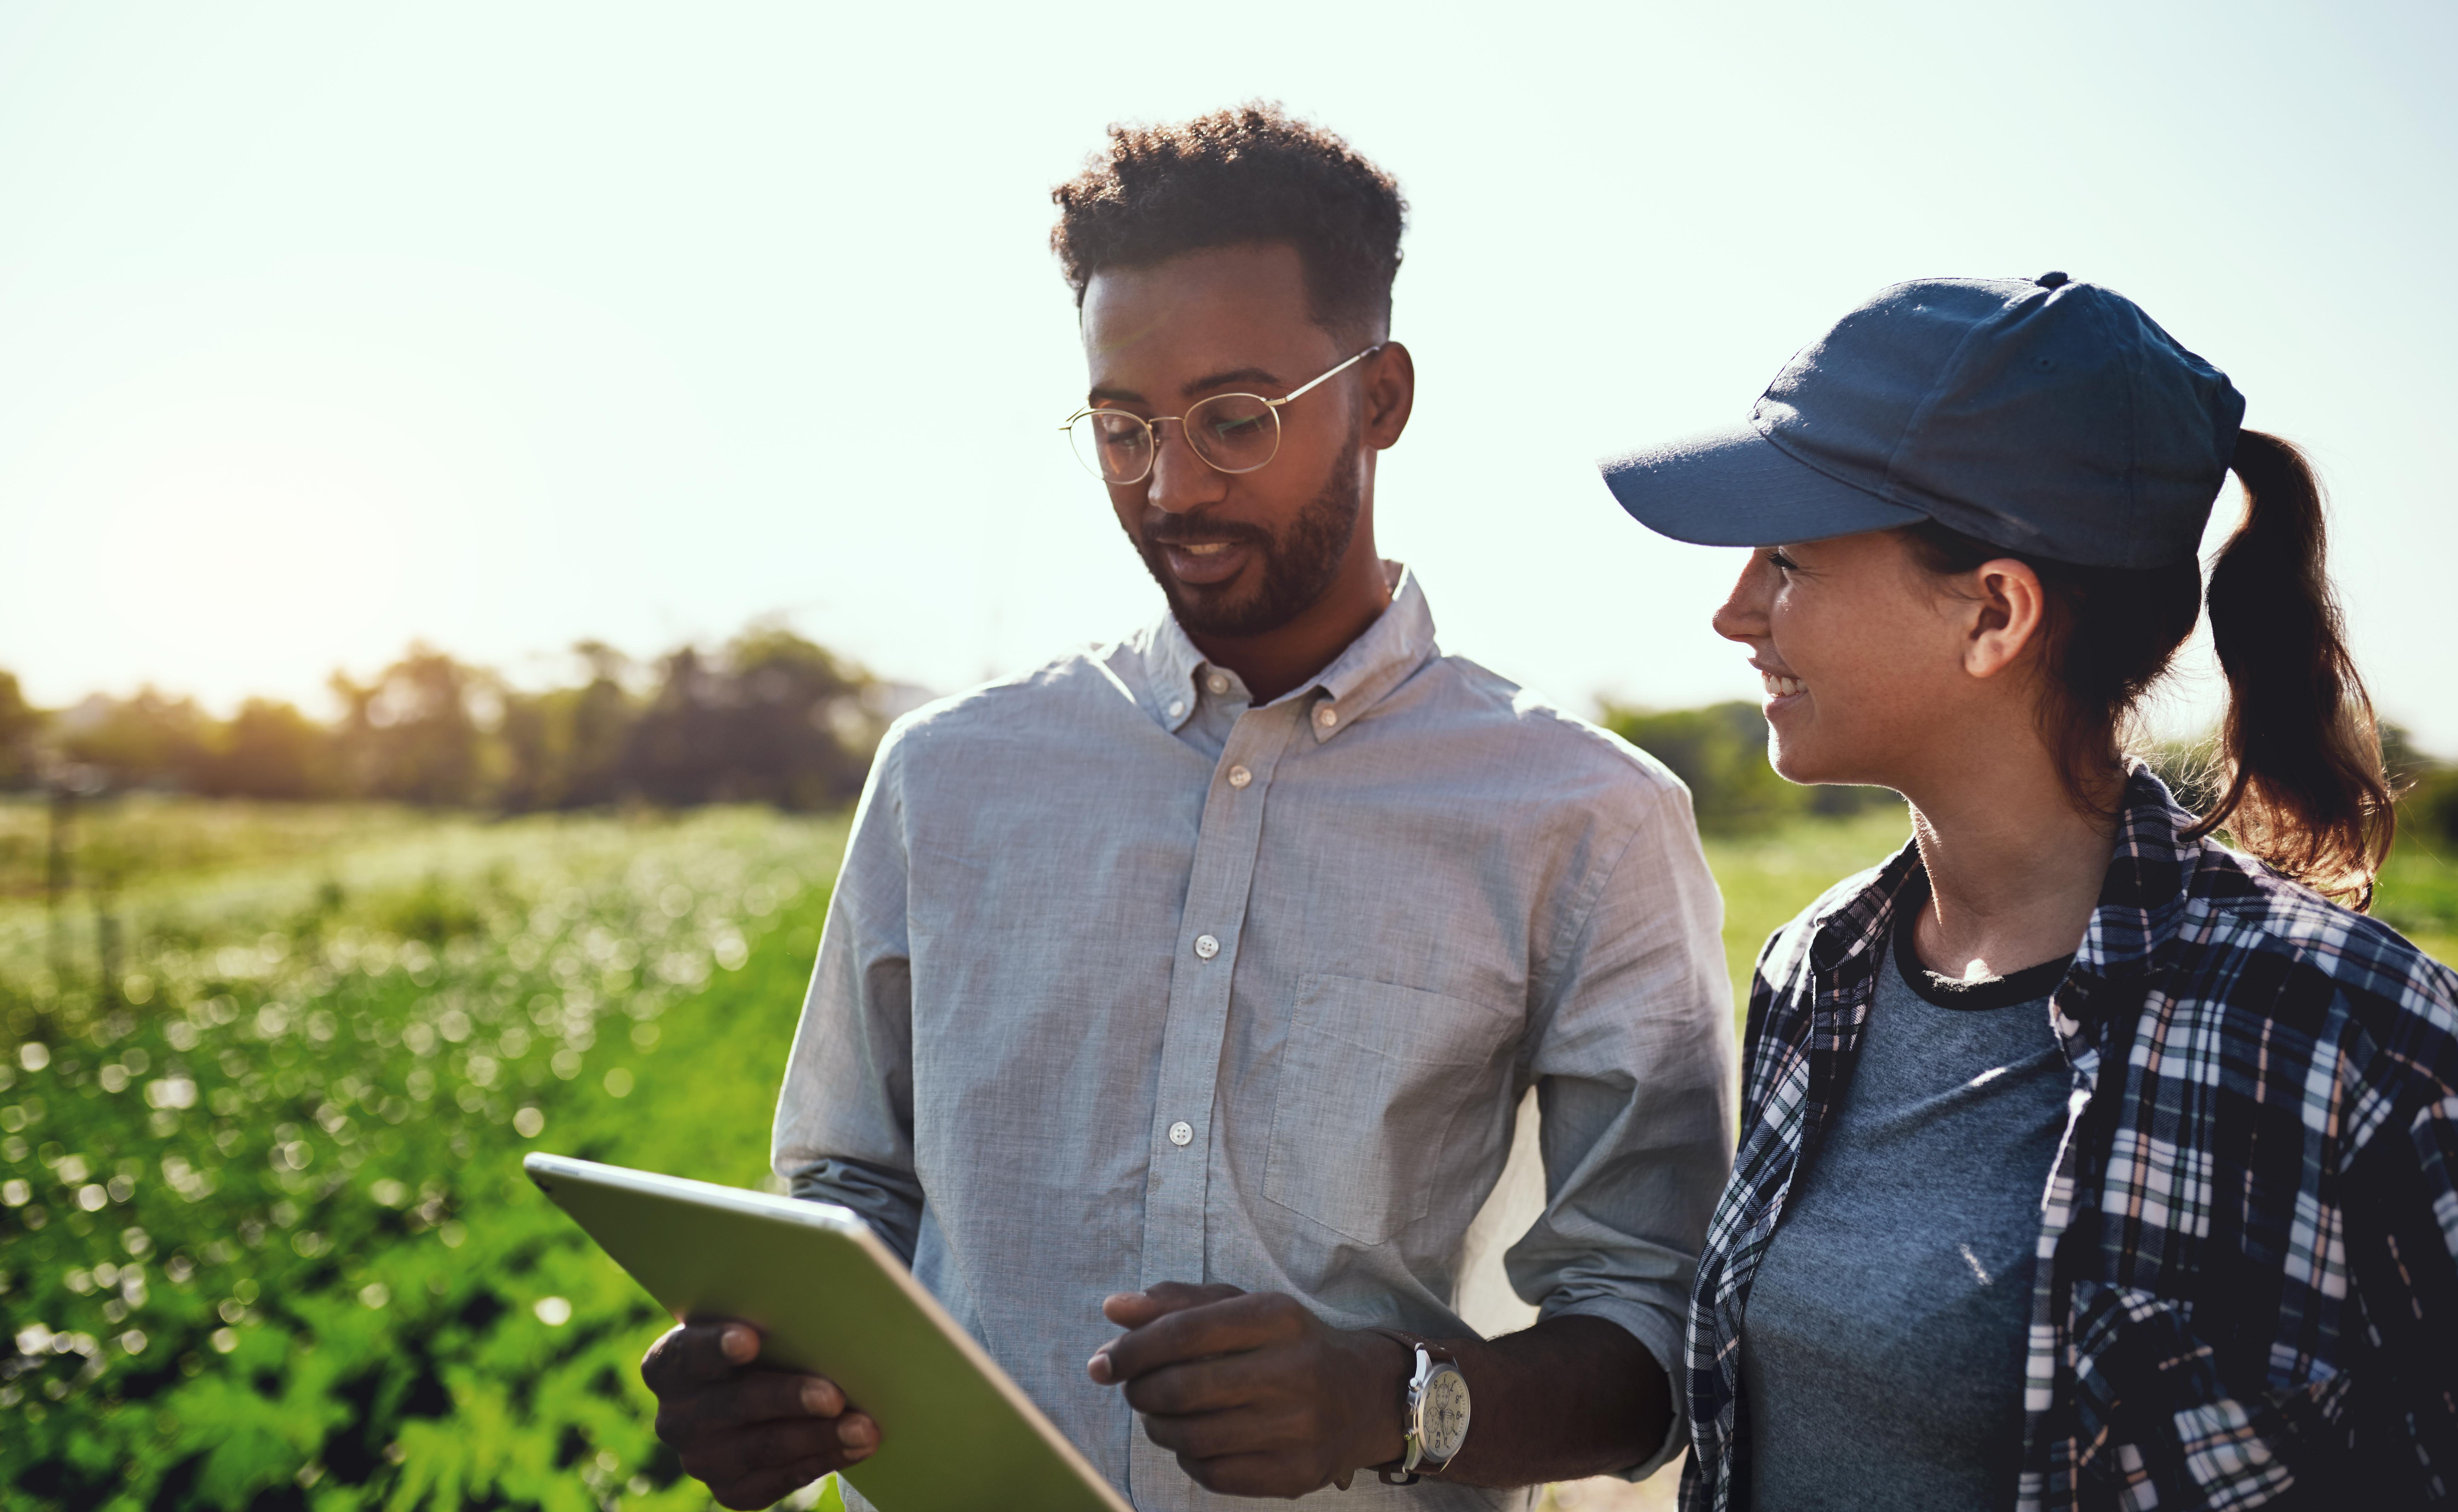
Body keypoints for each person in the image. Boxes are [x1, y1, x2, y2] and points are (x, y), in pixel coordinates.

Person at [639, 104, 1735, 1510]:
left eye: (1236, 421)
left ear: (1382, 398)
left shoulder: (1589, 817)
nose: (1171, 488)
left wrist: (1390, 1406)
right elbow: (851, 1192)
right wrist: (760, 1381)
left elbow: (1657, 1332)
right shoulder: (944, 775)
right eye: (1121, 426)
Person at [1598, 272, 2458, 1510]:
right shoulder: (1815, 972)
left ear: (1995, 613)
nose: (1733, 610)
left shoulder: (2366, 1043)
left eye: (1789, 559)